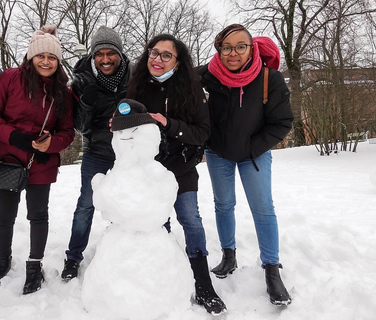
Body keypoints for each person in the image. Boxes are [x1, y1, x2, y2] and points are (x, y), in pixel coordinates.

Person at [126, 34, 226, 315]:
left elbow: (203, 133)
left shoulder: (192, 90)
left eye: (166, 55)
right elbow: (129, 130)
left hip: (182, 168)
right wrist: (119, 126)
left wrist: (168, 123)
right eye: (153, 53)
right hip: (150, 171)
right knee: (159, 224)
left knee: (191, 221)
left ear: (178, 62)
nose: (157, 60)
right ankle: (166, 276)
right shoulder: (137, 87)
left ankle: (203, 282)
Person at [198, 24, 294, 305]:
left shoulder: (269, 78)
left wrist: (252, 147)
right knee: (223, 204)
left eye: (241, 46)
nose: (233, 53)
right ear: (219, 49)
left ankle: (272, 269)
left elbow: (282, 122)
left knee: (263, 208)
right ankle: (228, 255)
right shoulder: (207, 76)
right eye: (226, 47)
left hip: (255, 154)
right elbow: (178, 83)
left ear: (252, 48)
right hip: (218, 153)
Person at [0, 25, 74, 294]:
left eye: (52, 57)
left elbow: (68, 131)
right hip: (9, 158)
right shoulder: (10, 79)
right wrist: (13, 136)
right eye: (41, 56)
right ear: (31, 57)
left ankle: (34, 265)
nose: (46, 62)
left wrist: (51, 145)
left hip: (41, 163)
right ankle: (3, 260)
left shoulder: (63, 93)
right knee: (4, 216)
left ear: (58, 61)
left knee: (38, 215)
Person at [61, 26, 131, 280]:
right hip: (97, 151)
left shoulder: (133, 77)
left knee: (131, 201)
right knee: (86, 204)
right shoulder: (81, 79)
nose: (105, 59)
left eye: (110, 53)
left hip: (128, 151)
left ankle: (129, 251)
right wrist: (87, 104)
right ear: (92, 55)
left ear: (119, 54)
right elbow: (80, 126)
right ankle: (73, 256)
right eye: (99, 53)